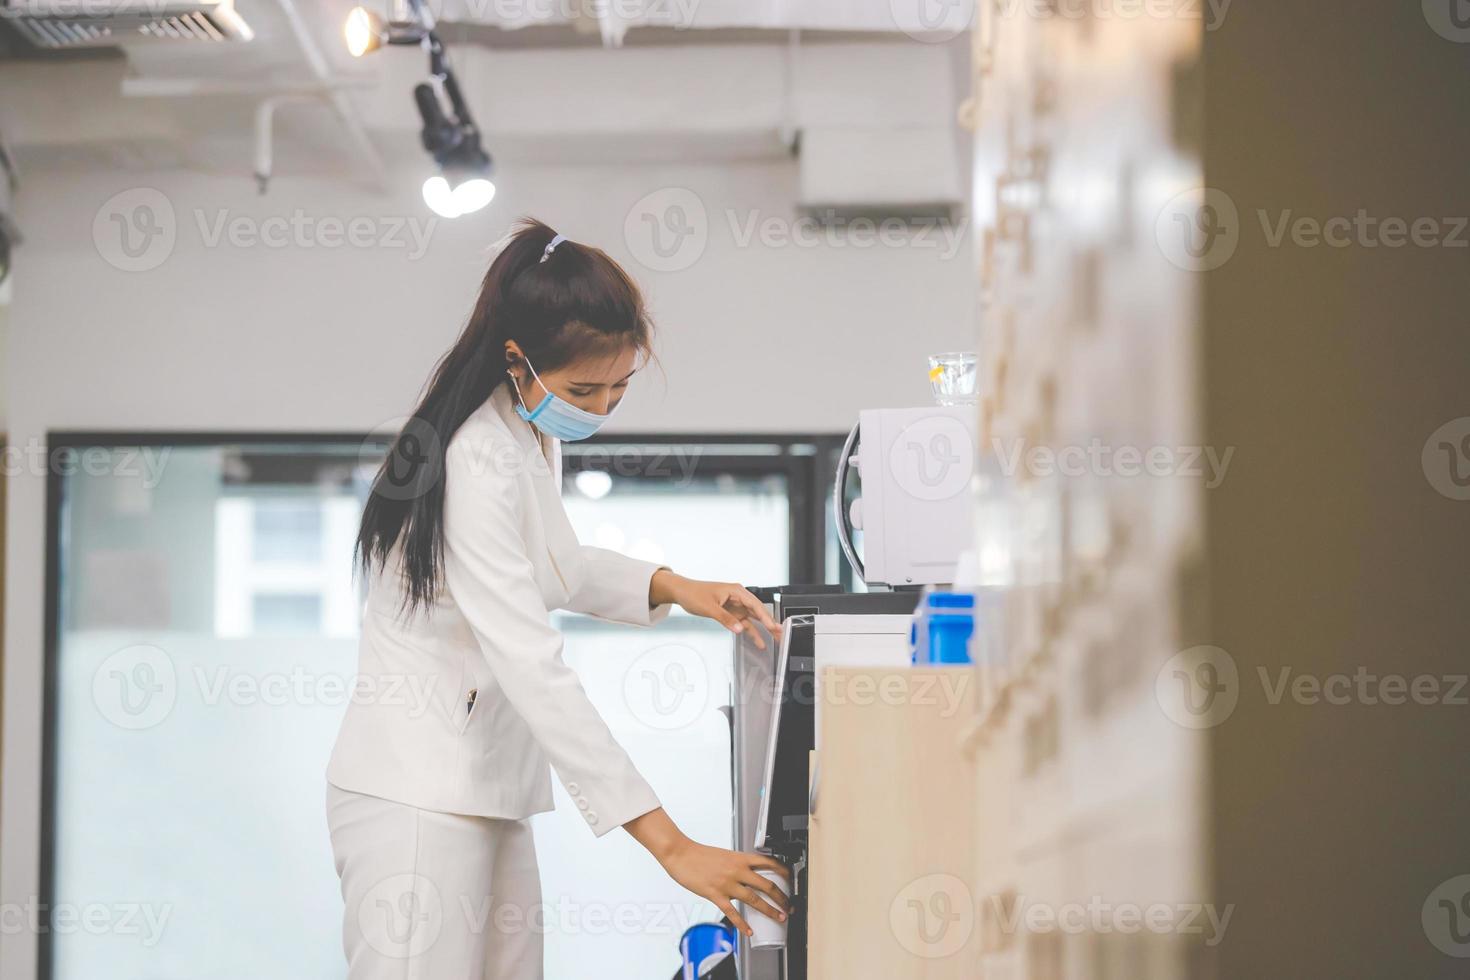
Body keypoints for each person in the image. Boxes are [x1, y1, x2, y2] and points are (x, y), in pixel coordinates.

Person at [325, 218, 791, 978]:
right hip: (414, 792)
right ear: (517, 359)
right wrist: (669, 845)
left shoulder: (525, 433)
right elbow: (530, 663)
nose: (603, 407)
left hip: (485, 786)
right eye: (585, 389)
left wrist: (673, 586)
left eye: (619, 387)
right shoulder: (475, 455)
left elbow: (556, 567)